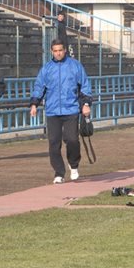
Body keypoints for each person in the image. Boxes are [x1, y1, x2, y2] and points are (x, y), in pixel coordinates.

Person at [30, 39, 92, 184]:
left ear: (65, 50)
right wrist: (34, 104)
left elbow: (84, 86)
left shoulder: (75, 66)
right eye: (55, 51)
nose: (58, 53)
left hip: (71, 109)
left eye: (60, 50)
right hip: (52, 111)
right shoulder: (46, 68)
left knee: (72, 140)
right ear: (52, 51)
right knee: (53, 142)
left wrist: (86, 104)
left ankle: (74, 165)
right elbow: (39, 87)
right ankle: (59, 172)